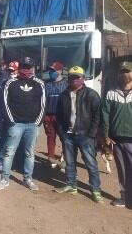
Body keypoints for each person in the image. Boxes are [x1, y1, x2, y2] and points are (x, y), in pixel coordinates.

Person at [53, 66, 103, 202]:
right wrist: (62, 133)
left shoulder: (92, 94)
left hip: (85, 135)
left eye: (77, 77)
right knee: (69, 162)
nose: (74, 80)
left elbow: (98, 116)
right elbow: (58, 116)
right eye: (71, 77)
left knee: (91, 164)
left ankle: (95, 189)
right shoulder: (63, 95)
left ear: (83, 78)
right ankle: (71, 185)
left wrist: (91, 134)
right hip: (68, 135)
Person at [0, 57, 45, 191]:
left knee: (29, 153)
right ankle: (4, 179)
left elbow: (43, 104)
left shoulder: (39, 83)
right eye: (24, 67)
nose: (27, 69)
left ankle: (28, 179)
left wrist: (38, 122)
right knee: (9, 152)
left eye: (29, 67)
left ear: (33, 68)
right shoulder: (11, 83)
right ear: (20, 68)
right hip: (15, 124)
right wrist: (11, 121)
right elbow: (5, 103)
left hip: (32, 125)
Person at [102, 61, 132, 208]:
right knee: (122, 169)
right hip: (116, 138)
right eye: (122, 72)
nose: (125, 74)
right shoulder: (111, 93)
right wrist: (106, 134)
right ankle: (124, 197)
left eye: (127, 71)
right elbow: (105, 114)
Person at [43, 62, 68, 168]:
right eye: (50, 70)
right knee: (50, 137)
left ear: (60, 71)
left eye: (53, 71)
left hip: (61, 116)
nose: (51, 73)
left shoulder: (66, 84)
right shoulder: (47, 84)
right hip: (49, 115)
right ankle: (51, 157)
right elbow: (43, 101)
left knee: (65, 138)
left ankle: (66, 159)